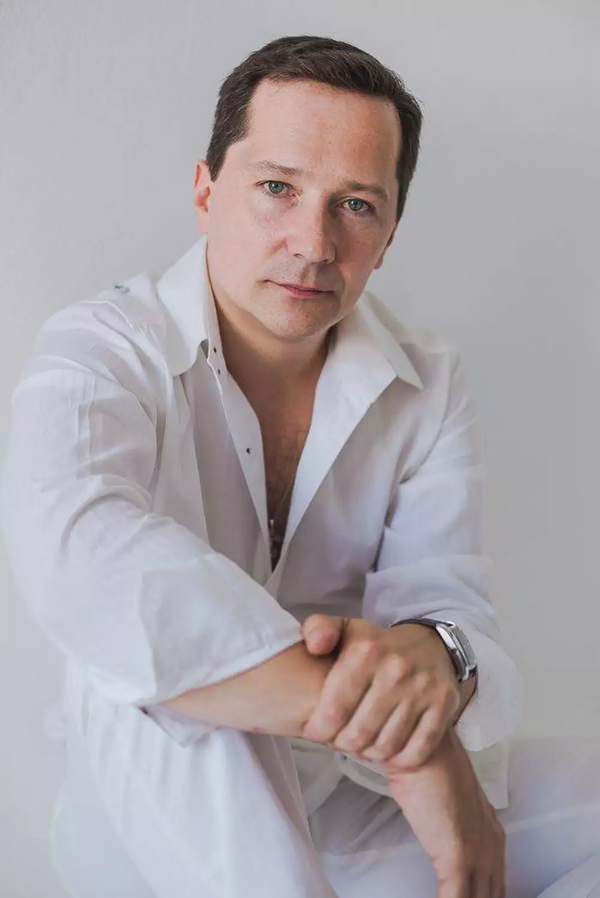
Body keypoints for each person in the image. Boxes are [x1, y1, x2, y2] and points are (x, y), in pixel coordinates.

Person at [2, 34, 600, 898]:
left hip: (359, 805)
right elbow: (75, 558)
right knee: (142, 658)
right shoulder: (102, 348)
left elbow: (456, 617)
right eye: (277, 188)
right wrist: (411, 743)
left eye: (355, 204)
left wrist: (437, 661)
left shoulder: (428, 380)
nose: (314, 242)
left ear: (388, 235)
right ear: (206, 192)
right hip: (161, 829)